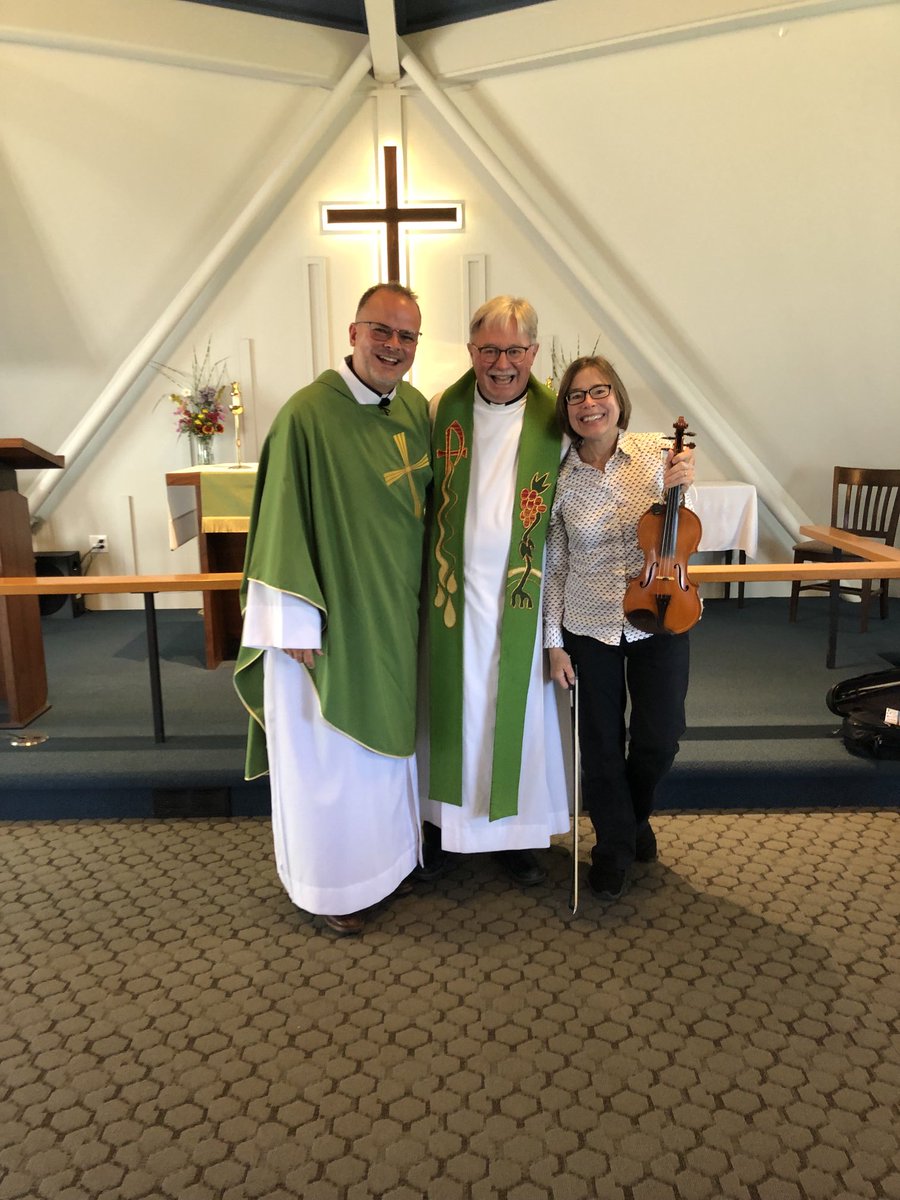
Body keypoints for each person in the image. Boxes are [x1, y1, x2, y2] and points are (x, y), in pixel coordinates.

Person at [234, 283, 432, 936]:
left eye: (407, 336)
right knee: (332, 760)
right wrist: (292, 623)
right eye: (382, 330)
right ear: (353, 332)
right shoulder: (306, 416)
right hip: (325, 624)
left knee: (383, 758)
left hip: (393, 617)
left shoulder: (412, 413)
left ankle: (392, 864)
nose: (393, 346)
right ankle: (334, 889)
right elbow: (280, 522)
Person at [419, 296, 570, 887]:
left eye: (514, 350)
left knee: (515, 715)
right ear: (471, 352)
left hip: (522, 605)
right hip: (451, 597)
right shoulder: (440, 410)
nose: (501, 363)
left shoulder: (557, 421)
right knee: (451, 712)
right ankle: (443, 828)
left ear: (533, 352)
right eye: (489, 350)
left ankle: (513, 835)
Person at [543, 354, 696, 902]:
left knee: (661, 736)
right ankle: (613, 846)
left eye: (598, 392)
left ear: (618, 397)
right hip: (586, 623)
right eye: (577, 396)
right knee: (600, 744)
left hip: (660, 614)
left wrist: (684, 484)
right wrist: (554, 645)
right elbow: (554, 567)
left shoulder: (660, 454)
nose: (589, 404)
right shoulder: (559, 477)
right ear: (566, 409)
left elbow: (685, 534)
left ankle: (633, 818)